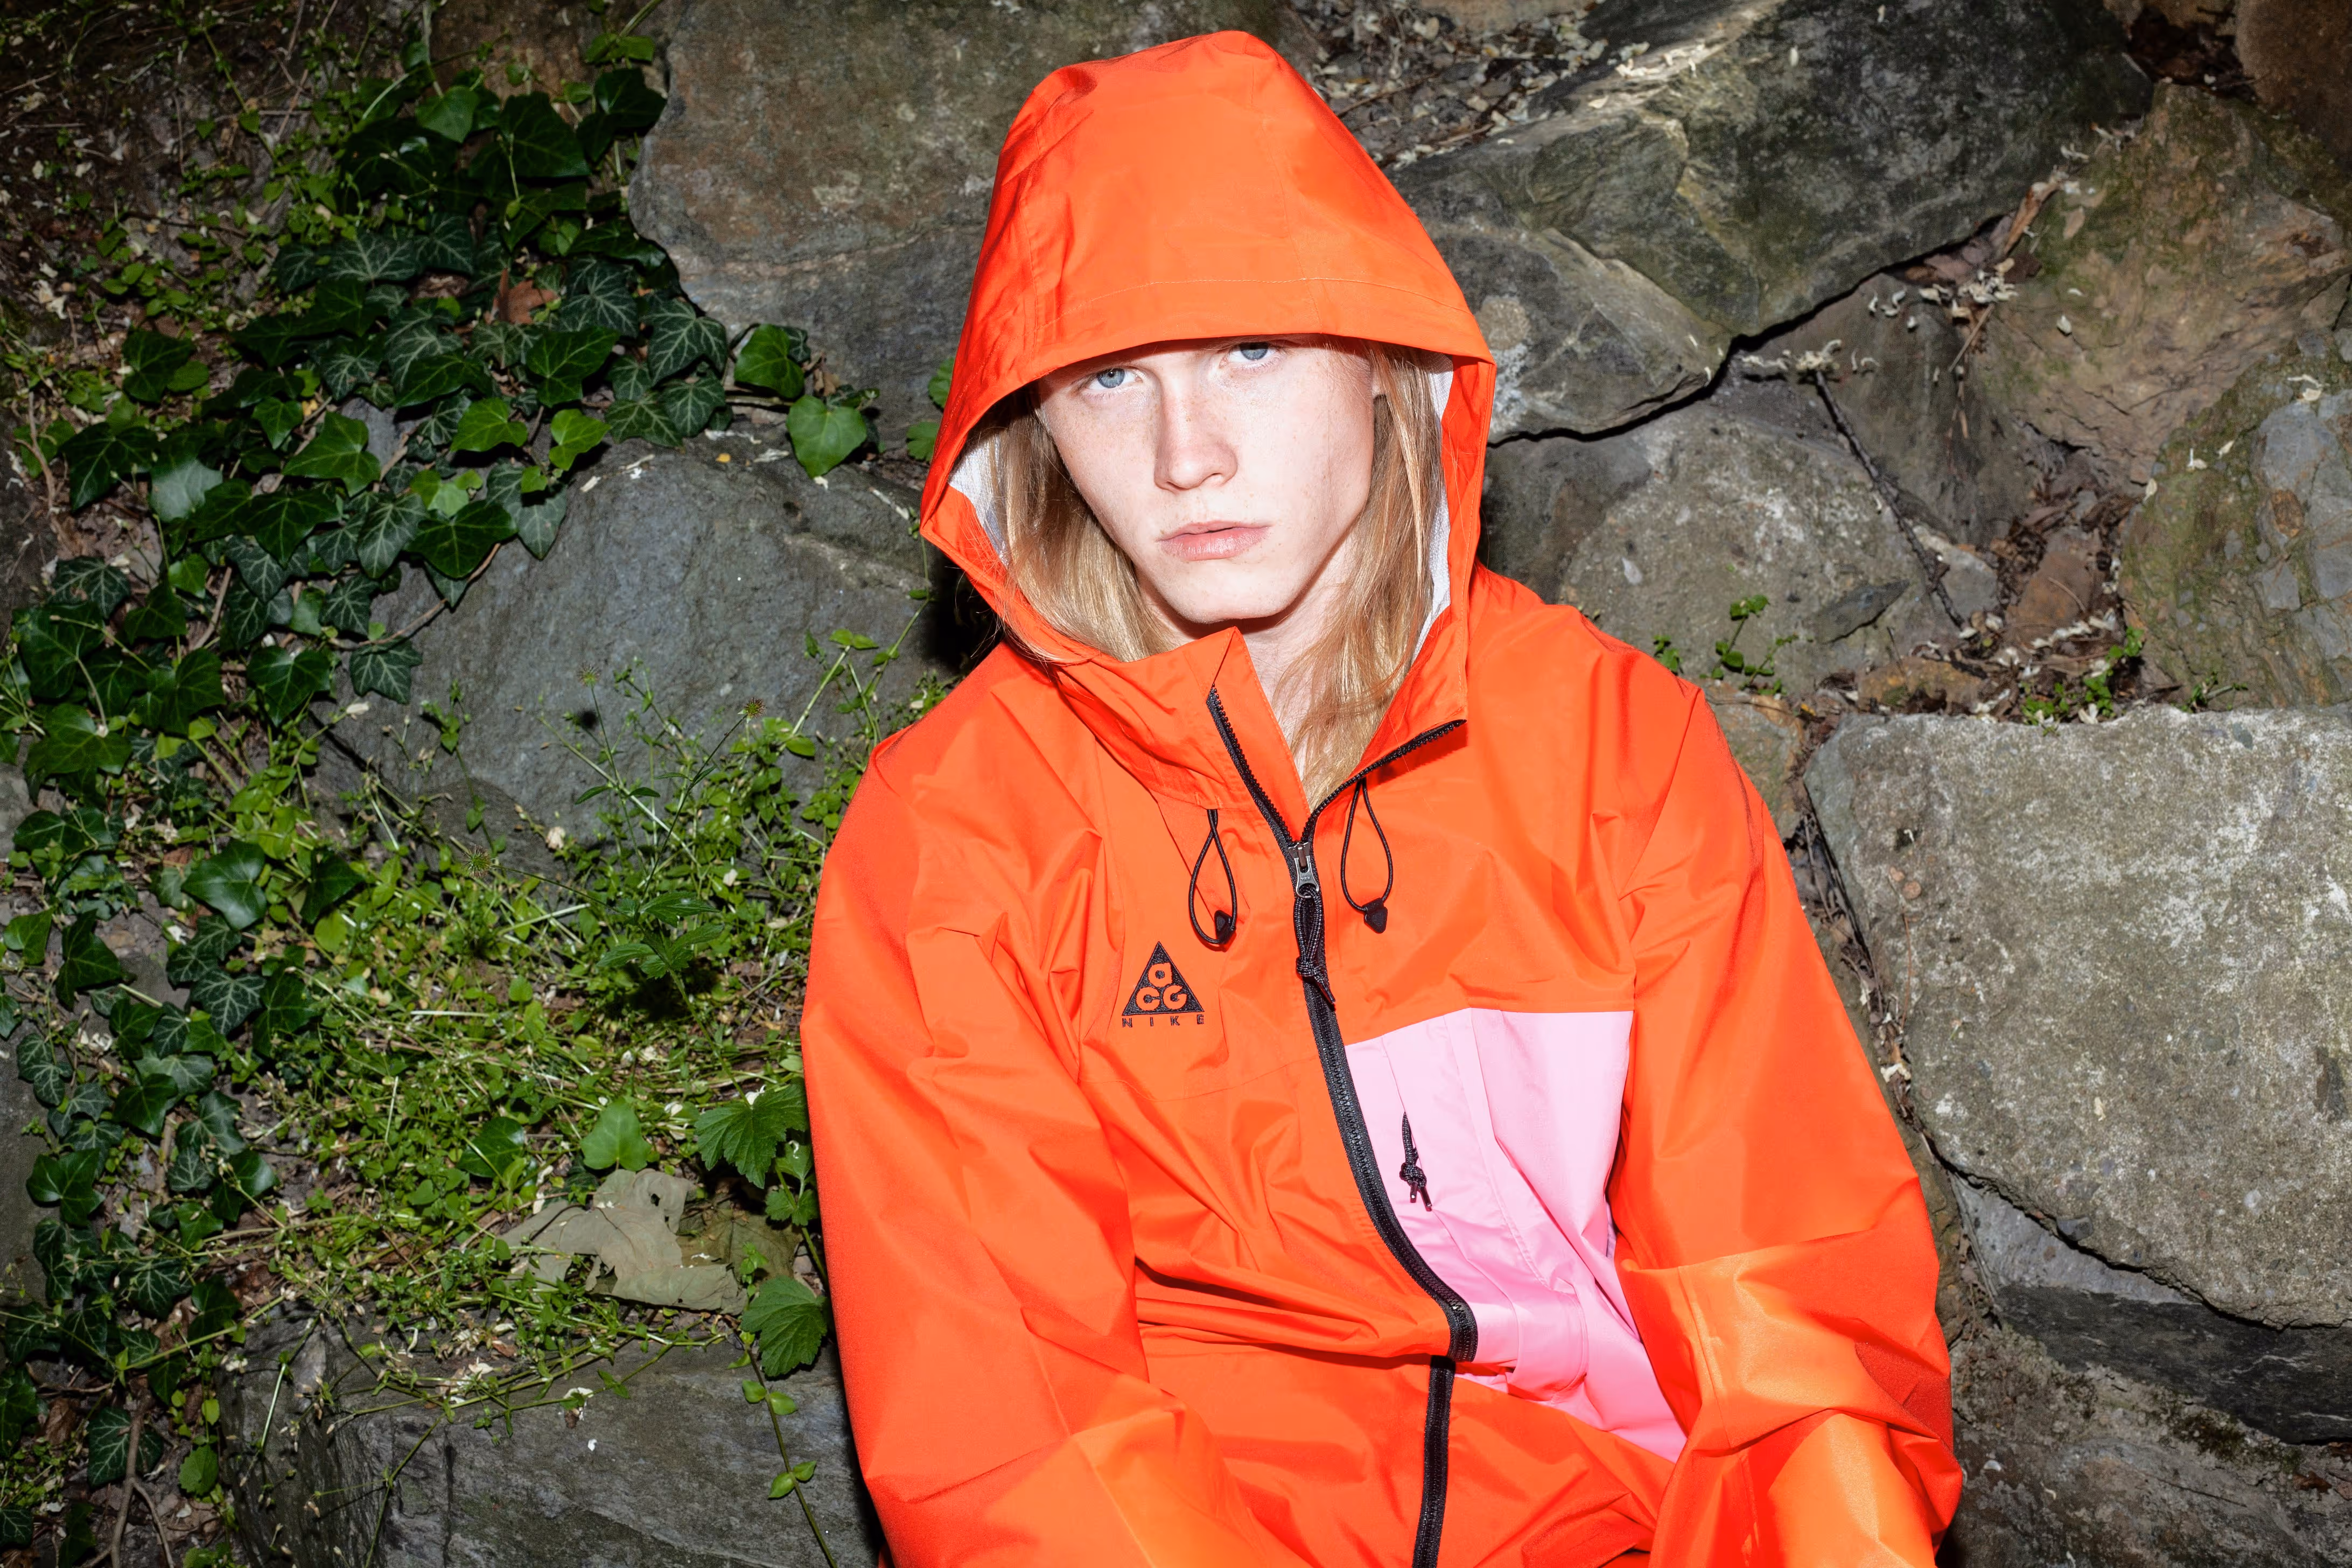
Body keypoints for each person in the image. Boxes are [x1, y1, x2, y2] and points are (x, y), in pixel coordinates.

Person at [801, 30, 1959, 1568]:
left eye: (1252, 350)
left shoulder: (1612, 747)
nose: (1187, 453)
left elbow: (1792, 1314)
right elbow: (1019, 1436)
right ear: (1038, 433)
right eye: (1109, 377)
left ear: (1383, 357)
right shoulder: (952, 841)